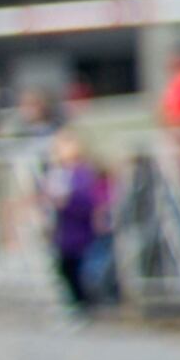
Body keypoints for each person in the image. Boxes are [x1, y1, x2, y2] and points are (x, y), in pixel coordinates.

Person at [43, 130, 114, 310]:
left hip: (83, 228)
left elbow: (91, 198)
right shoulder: (59, 172)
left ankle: (92, 300)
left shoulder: (84, 172)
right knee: (65, 266)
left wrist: (68, 202)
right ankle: (78, 301)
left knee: (88, 267)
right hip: (66, 229)